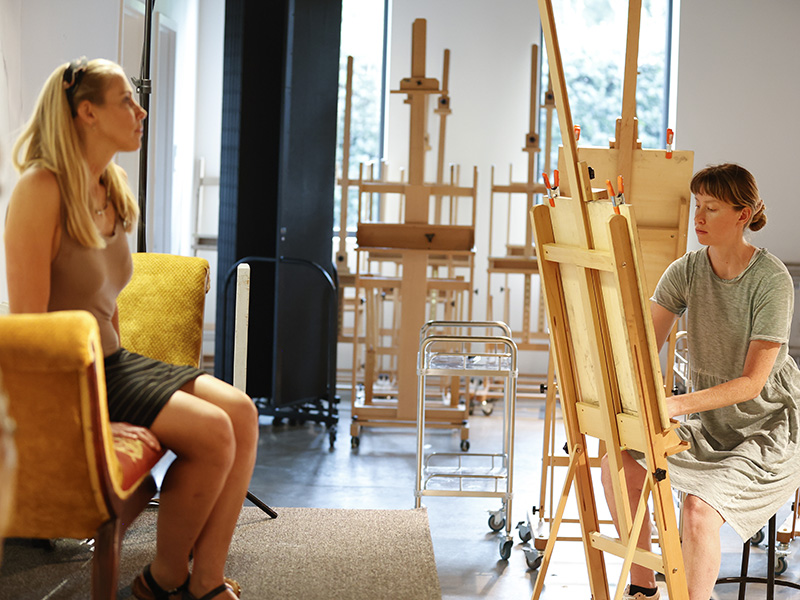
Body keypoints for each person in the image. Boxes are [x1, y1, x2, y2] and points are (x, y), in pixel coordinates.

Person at [4, 57, 259, 600]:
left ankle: (205, 581)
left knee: (242, 413)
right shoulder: (40, 190)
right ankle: (165, 581)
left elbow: (107, 299)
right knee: (214, 434)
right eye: (127, 100)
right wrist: (73, 419)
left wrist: (134, 369)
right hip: (73, 379)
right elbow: (29, 331)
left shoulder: (110, 184)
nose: (141, 110)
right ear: (86, 111)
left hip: (115, 361)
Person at [600, 163, 800, 600]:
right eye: (697, 206)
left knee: (697, 510)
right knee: (621, 466)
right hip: (710, 421)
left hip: (767, 428)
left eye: (711, 208)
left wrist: (670, 406)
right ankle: (643, 587)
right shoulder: (685, 270)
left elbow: (750, 385)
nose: (699, 218)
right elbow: (641, 347)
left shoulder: (771, 280)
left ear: (743, 215)